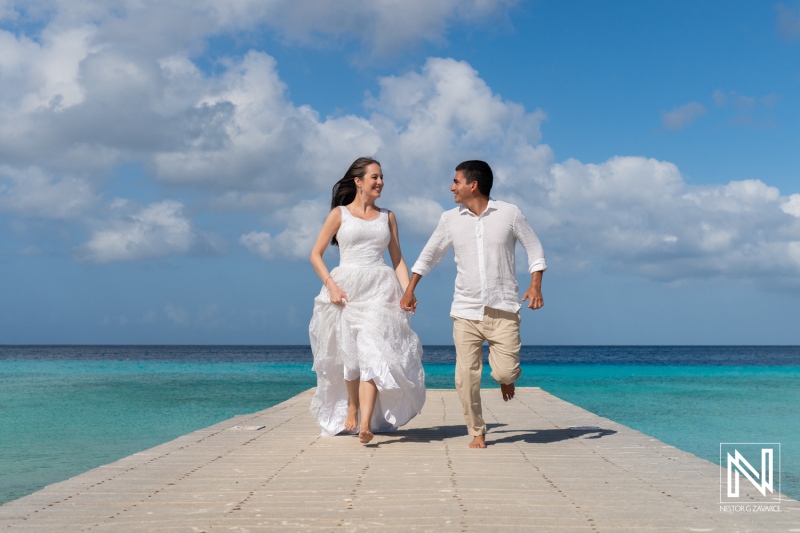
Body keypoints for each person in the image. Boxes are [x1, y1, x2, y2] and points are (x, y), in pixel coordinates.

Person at [400, 160, 546, 449]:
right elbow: (429, 255)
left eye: (456, 181)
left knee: (504, 372)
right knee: (465, 377)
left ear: (473, 185)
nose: (451, 187)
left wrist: (535, 285)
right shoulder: (449, 219)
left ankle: (506, 378)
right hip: (466, 311)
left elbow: (534, 247)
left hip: (503, 309)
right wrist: (410, 289)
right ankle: (477, 431)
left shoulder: (509, 213)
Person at [309, 157, 425, 444]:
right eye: (374, 177)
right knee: (349, 355)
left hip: (379, 290)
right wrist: (332, 286)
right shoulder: (339, 214)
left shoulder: (388, 216)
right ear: (358, 181)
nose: (380, 182)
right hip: (346, 289)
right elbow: (315, 254)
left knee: (373, 352)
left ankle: (364, 423)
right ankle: (351, 404)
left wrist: (407, 290)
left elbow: (397, 260)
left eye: (382, 177)